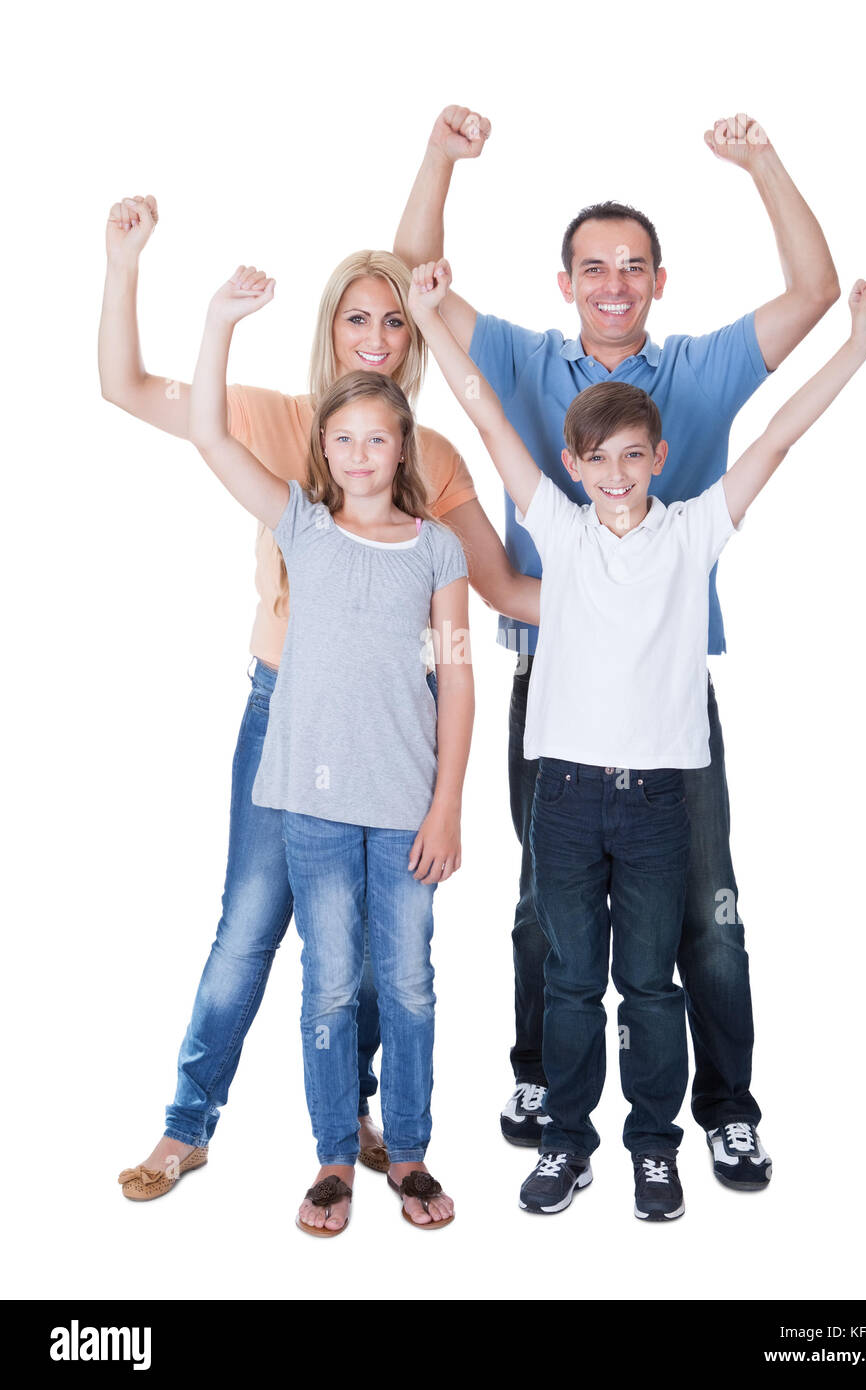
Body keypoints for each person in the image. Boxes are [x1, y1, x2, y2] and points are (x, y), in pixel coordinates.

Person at [395, 109, 841, 1182]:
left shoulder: (700, 369)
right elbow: (416, 284)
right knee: (543, 904)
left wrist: (760, 161)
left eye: (631, 267)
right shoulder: (512, 355)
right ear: (565, 283)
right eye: (592, 267)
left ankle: (722, 1106)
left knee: (704, 908)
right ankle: (548, 1078)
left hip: (666, 699)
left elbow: (814, 295)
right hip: (548, 682)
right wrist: (440, 159)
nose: (611, 284)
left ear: (657, 280)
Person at [100, 197, 539, 1203]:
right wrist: (126, 265)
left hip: (396, 728)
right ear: (329, 330)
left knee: (386, 956)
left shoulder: (433, 465)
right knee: (251, 922)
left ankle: (361, 1119)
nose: (377, 340)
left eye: (396, 321)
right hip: (285, 713)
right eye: (357, 318)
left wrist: (631, 588)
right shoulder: (287, 426)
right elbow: (126, 387)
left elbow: (492, 605)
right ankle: (185, 1124)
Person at [188, 263, 473, 1233]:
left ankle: (414, 1150)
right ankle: (332, 1159)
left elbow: (460, 676)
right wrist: (221, 319)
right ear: (323, 447)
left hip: (404, 803)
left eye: (378, 437)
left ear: (404, 449)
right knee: (329, 979)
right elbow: (208, 433)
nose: (359, 452)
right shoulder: (299, 526)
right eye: (341, 437)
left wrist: (447, 806)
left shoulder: (439, 549)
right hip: (308, 799)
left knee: (407, 981)